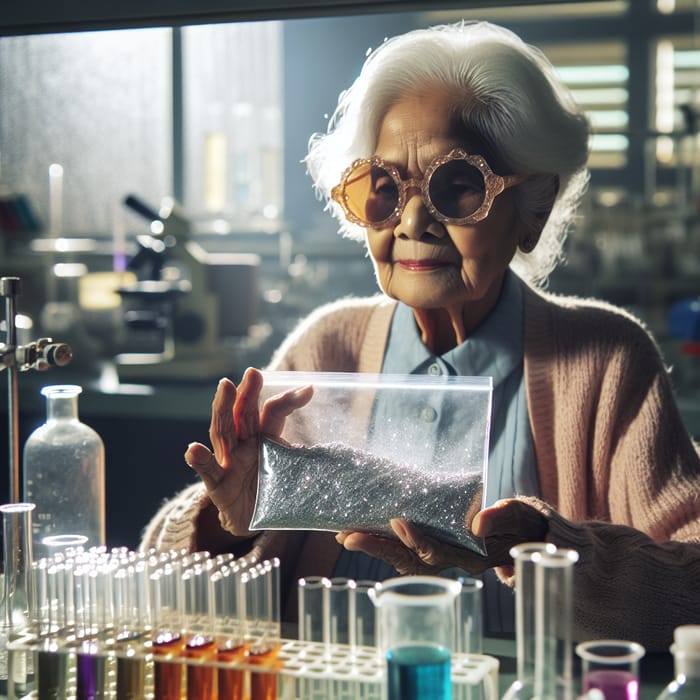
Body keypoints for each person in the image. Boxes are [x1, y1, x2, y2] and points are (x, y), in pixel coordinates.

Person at [141, 20, 700, 651]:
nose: (412, 221)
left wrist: (543, 550)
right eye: (383, 187)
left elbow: (693, 587)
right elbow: (161, 588)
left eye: (457, 185)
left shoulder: (604, 360)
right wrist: (230, 520)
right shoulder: (330, 346)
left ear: (535, 208)